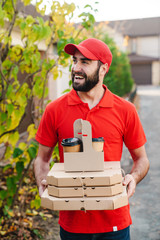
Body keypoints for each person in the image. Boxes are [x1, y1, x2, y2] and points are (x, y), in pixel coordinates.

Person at [34, 38, 149, 240]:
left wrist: (133, 177)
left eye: (85, 62)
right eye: (74, 60)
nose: (76, 67)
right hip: (72, 225)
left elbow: (141, 159)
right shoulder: (54, 110)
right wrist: (42, 183)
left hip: (115, 222)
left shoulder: (125, 110)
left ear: (103, 68)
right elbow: (42, 159)